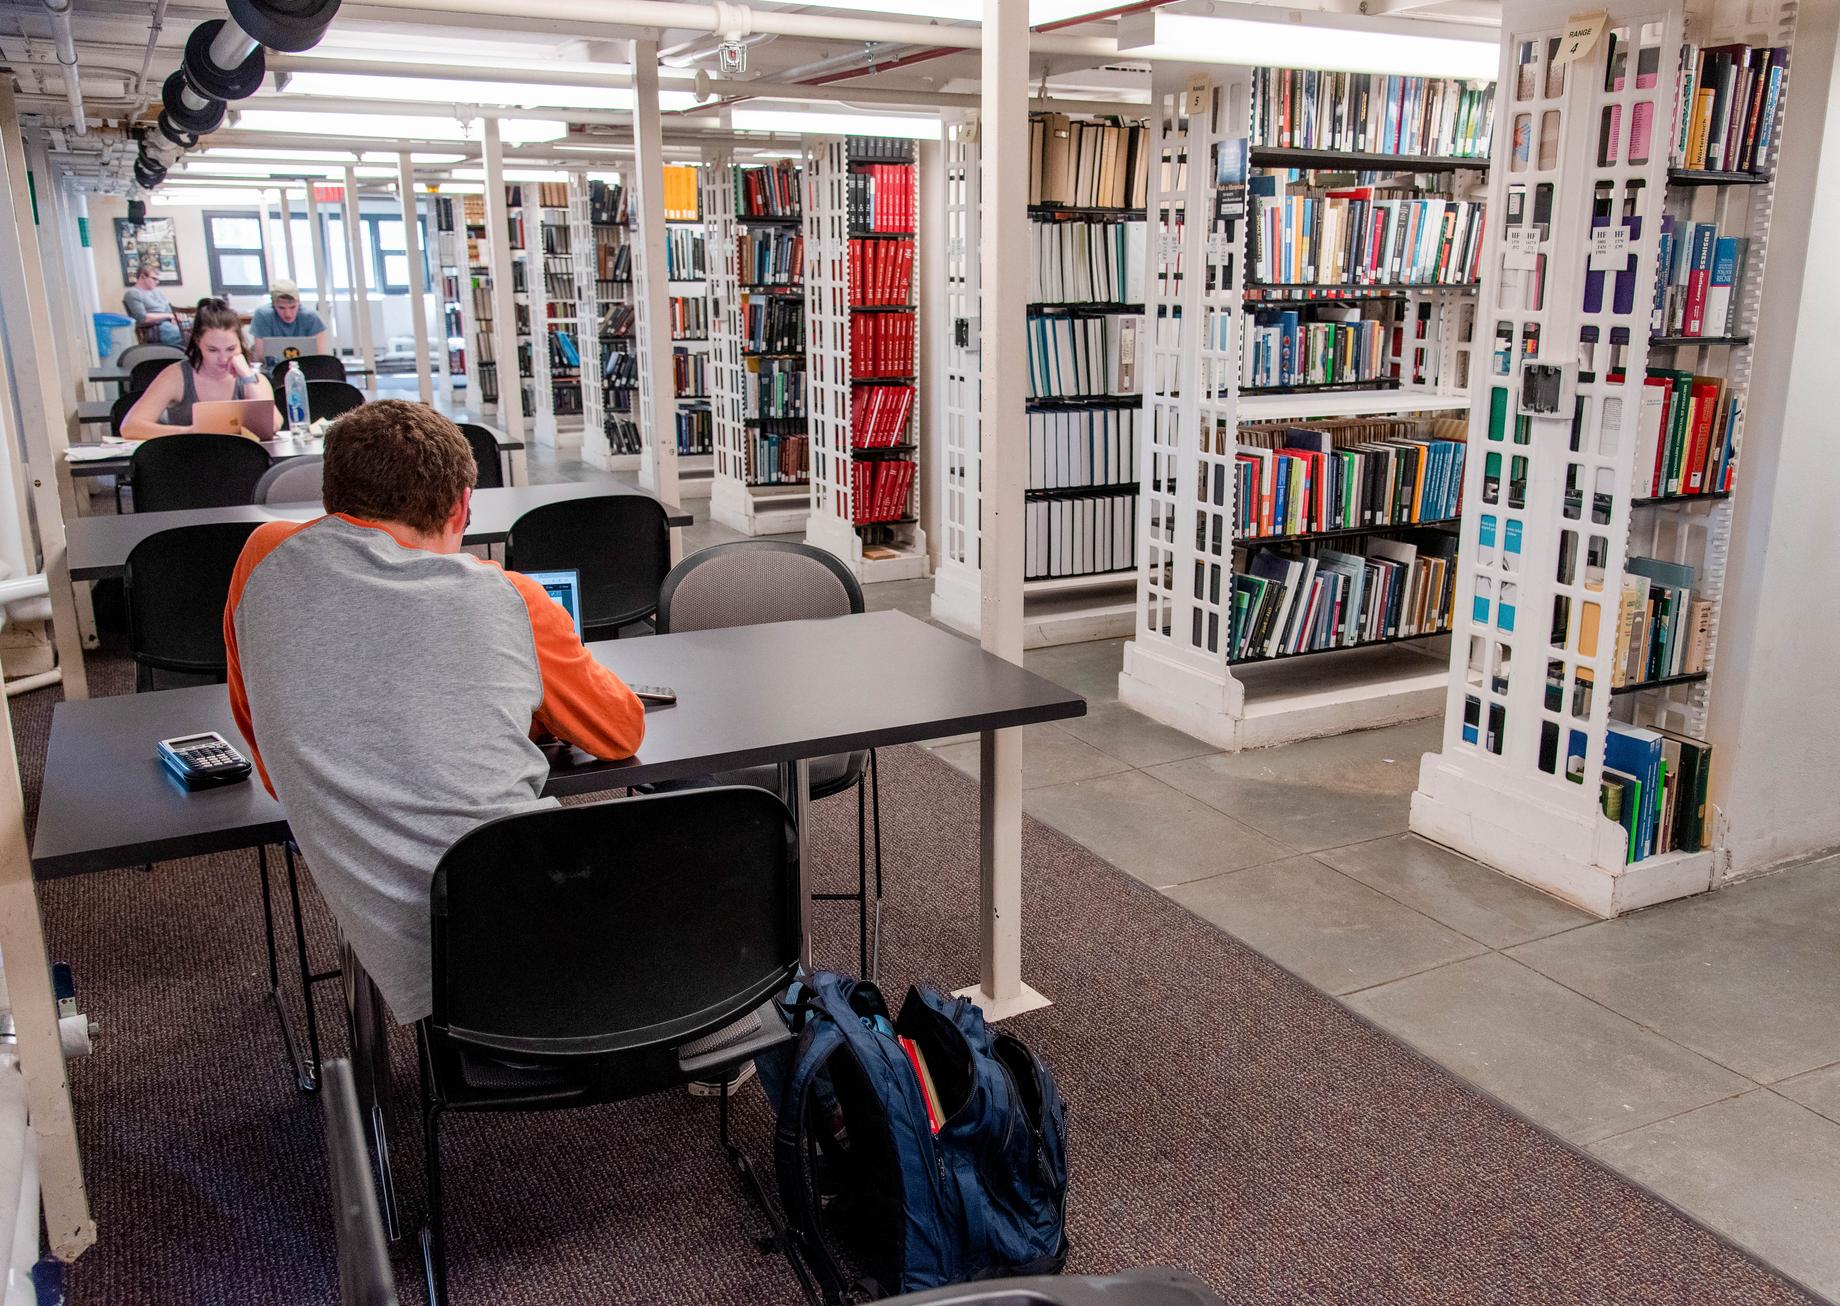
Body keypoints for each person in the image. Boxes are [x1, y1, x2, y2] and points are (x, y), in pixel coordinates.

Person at [224, 400, 646, 1025]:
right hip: (543, 919)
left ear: (329, 493)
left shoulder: (261, 559)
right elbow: (619, 731)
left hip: (398, 937)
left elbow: (263, 732)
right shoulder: (508, 596)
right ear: (461, 508)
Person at [119, 298, 278, 441]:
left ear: (241, 344)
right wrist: (189, 432)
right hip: (190, 462)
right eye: (213, 350)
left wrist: (248, 378)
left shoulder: (251, 377)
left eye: (231, 349)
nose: (223, 359)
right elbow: (130, 426)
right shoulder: (177, 375)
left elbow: (273, 425)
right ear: (198, 343)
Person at [248, 277, 329, 356]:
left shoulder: (311, 317)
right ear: (273, 305)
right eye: (281, 308)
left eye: (293, 307)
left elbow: (320, 355)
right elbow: (261, 355)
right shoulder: (263, 316)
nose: (288, 314)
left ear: (299, 302)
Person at [122, 262, 182, 347]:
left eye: (158, 280)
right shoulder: (133, 293)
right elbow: (142, 318)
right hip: (155, 330)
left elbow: (169, 312)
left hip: (170, 326)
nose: (157, 282)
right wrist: (168, 316)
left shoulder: (158, 292)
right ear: (142, 276)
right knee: (192, 336)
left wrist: (173, 318)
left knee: (199, 329)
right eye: (154, 279)